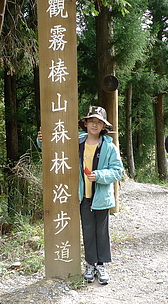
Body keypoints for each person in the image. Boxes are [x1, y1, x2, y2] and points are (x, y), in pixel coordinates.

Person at [38, 106, 123, 285]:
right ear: (85, 123)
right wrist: (42, 141)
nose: (94, 125)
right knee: (87, 230)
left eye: (98, 122)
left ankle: (101, 265)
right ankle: (90, 264)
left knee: (101, 232)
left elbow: (117, 171)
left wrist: (99, 175)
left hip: (101, 196)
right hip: (82, 196)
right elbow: (55, 147)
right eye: (91, 121)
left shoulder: (109, 146)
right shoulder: (76, 141)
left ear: (103, 126)